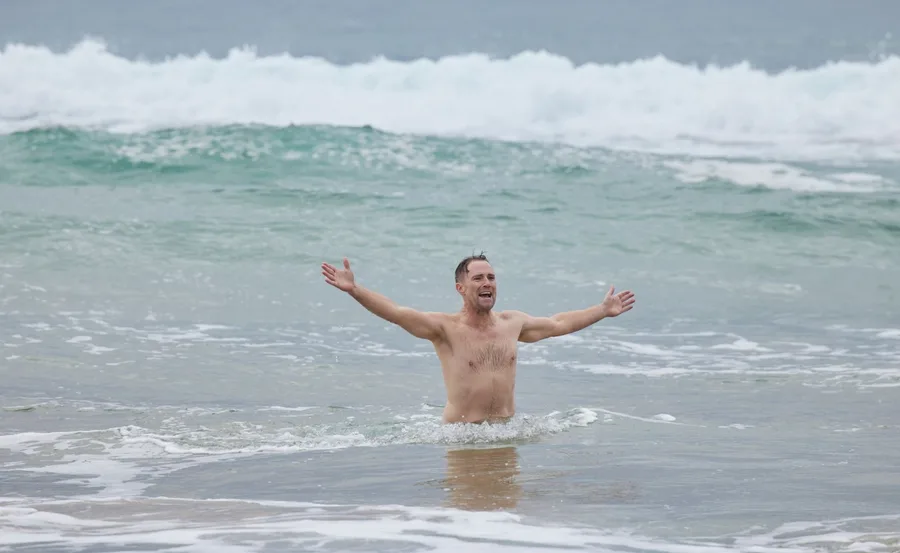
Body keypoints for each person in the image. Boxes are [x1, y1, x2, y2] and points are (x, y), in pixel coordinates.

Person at [321, 253, 635, 424]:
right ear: (461, 288)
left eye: (491, 277)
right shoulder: (445, 329)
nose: (487, 283)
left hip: (505, 432)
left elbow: (558, 323)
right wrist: (356, 291)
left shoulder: (513, 324)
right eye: (478, 278)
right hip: (461, 437)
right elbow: (396, 312)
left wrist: (602, 310)